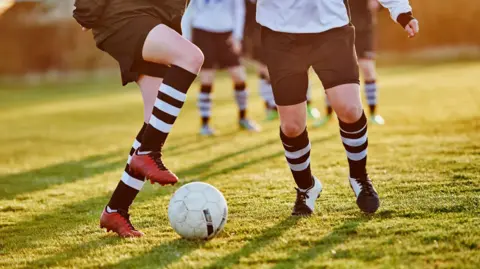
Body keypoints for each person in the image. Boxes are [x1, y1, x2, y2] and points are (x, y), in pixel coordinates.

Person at [256, 0, 419, 215]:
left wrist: (402, 12)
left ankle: (359, 177)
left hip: (331, 28)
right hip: (280, 33)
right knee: (292, 126)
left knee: (350, 109)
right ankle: (306, 188)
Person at [73, 0, 204, 237]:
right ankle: (148, 153)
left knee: (155, 118)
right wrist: (86, 10)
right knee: (190, 57)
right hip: (126, 16)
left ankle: (116, 209)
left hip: (155, 19)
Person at [182, 0, 260, 136]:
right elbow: (187, 10)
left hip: (227, 33)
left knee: (239, 76)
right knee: (207, 79)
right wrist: (186, 39)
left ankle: (243, 117)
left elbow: (239, 9)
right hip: (203, 32)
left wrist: (237, 36)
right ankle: (205, 124)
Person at [244, 0, 321, 122]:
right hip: (259, 27)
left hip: (291, 23)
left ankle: (308, 105)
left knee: (302, 65)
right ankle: (271, 107)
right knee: (265, 69)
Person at [316, 0, 385, 127]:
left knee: (367, 69)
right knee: (332, 70)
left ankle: (374, 113)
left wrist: (377, 3)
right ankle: (328, 114)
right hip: (339, 29)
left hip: (364, 29)